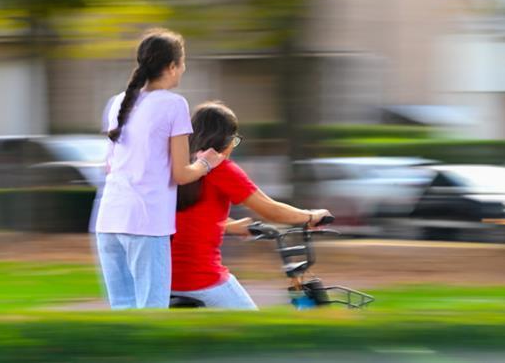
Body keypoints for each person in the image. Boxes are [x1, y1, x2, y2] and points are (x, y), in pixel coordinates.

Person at [95, 29, 224, 309]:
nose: (184, 69)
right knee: (152, 313)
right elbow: (180, 174)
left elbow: (109, 165)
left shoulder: (119, 101)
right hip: (146, 224)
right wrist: (206, 164)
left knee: (124, 315)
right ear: (172, 66)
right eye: (183, 63)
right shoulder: (174, 104)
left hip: (109, 221)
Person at [170, 101, 331, 309]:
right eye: (234, 140)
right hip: (202, 278)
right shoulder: (221, 169)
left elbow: (187, 216)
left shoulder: (180, 167)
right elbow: (270, 210)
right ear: (225, 140)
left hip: (166, 278)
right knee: (251, 325)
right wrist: (311, 216)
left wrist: (230, 226)